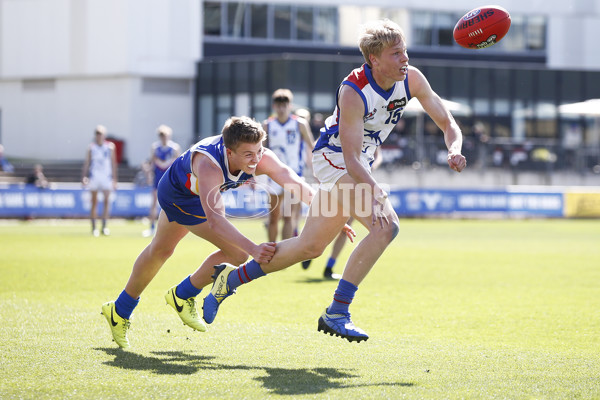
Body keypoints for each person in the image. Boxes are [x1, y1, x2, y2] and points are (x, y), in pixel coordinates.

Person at [201, 19, 467, 343]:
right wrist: (376, 192)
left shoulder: (411, 79)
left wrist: (454, 149)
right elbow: (351, 159)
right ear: (375, 59)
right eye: (396, 54)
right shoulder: (353, 90)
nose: (405, 59)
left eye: (405, 51)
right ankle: (337, 311)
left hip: (356, 165)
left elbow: (447, 122)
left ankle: (229, 281)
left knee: (309, 247)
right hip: (333, 158)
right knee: (387, 225)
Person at [101, 116, 351, 348]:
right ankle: (182, 295)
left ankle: (121, 310)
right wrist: (253, 249)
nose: (256, 159)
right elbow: (216, 222)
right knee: (239, 252)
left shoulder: (258, 155)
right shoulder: (209, 166)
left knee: (161, 250)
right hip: (180, 195)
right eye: (248, 154)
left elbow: (293, 181)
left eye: (259, 151)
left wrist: (329, 214)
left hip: (194, 193)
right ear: (229, 152)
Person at [262, 89, 315, 243]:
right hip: (273, 175)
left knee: (288, 215)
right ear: (274, 106)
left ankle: (283, 254)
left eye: (284, 105)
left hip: (294, 175)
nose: (281, 108)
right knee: (273, 217)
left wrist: (316, 169)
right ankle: (271, 250)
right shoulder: (268, 125)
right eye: (278, 105)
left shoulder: (299, 124)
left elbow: (311, 146)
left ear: (290, 106)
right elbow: (260, 151)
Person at [143, 125, 181, 237]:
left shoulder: (174, 148)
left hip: (170, 179)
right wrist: (148, 173)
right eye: (161, 136)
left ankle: (174, 228)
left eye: (165, 135)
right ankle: (151, 227)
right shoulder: (155, 148)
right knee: (154, 202)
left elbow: (178, 164)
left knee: (172, 203)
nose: (163, 138)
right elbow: (152, 163)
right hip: (158, 178)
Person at [82, 125, 117, 237]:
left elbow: (113, 163)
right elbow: (87, 163)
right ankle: (94, 227)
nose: (99, 136)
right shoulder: (91, 148)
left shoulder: (110, 147)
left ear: (104, 135)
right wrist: (84, 176)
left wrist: (115, 179)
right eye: (97, 134)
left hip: (106, 177)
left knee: (107, 201)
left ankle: (104, 226)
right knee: (94, 202)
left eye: (100, 134)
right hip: (95, 176)